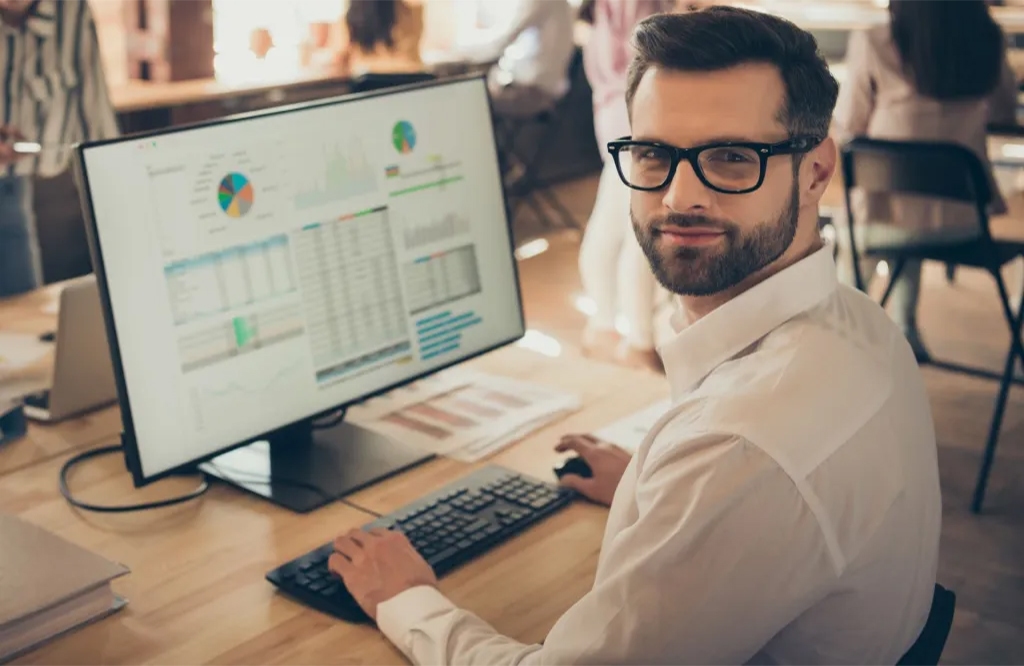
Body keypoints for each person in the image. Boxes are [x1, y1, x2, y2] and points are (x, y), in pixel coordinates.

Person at [328, 7, 941, 664]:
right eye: (653, 153)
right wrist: (655, 491)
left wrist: (409, 598)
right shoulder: (860, 324)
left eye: (732, 158)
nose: (681, 197)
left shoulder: (742, 453)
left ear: (816, 170)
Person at [832, 0, 1019, 361]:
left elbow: (851, 124)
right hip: (964, 227)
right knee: (910, 213)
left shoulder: (875, 41)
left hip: (881, 223)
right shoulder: (987, 39)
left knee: (883, 215)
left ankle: (843, 336)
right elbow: (1003, 111)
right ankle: (905, 328)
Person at [578, 0, 674, 373]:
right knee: (640, 233)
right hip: (637, 121)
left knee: (613, 224)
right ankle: (639, 341)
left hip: (617, 119)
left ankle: (606, 327)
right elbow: (645, 59)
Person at [0, 0, 118, 298]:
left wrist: (114, 211)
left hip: (28, 188)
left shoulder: (72, 11)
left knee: (22, 315)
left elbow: (97, 121)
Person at [446, 0, 575, 119]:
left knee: (463, 101)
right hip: (547, 89)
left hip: (534, 92)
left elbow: (499, 43)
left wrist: (457, 48)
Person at [334, 0, 423, 71]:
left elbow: (338, 57)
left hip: (369, 85)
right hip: (412, 83)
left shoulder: (350, 19)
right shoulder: (411, 11)